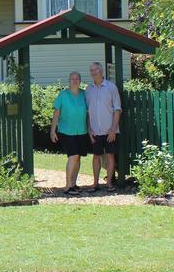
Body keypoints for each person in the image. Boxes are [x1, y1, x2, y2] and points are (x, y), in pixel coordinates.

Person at [86, 61, 123, 192]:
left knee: (110, 156)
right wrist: (89, 129)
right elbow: (87, 112)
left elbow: (117, 109)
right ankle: (95, 183)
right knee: (96, 156)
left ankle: (109, 184)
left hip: (110, 130)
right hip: (95, 131)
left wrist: (114, 129)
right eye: (91, 70)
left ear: (101, 71)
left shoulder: (111, 87)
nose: (93, 72)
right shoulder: (88, 89)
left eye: (95, 70)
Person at [50, 71, 88, 196]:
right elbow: (56, 113)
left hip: (81, 130)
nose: (75, 81)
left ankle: (73, 184)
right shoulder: (63, 95)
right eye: (72, 79)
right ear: (69, 81)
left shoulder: (84, 94)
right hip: (66, 130)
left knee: (78, 157)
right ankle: (67, 186)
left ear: (80, 80)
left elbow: (89, 112)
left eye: (77, 78)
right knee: (73, 155)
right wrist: (52, 130)